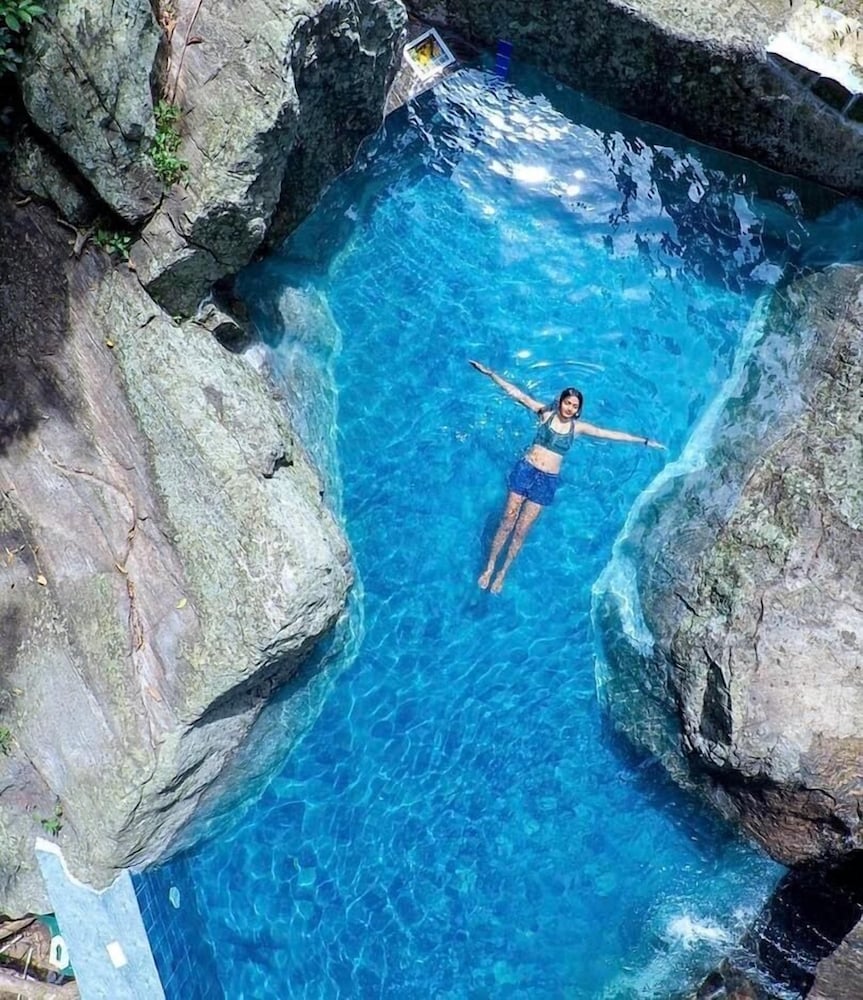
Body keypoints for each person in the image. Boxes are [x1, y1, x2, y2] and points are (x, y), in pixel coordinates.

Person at [470, 360, 665, 593]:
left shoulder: (578, 428)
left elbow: (608, 434)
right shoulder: (544, 413)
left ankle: (503, 572)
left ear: (578, 410)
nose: (570, 408)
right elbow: (517, 394)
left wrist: (644, 441)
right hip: (525, 470)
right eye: (568, 402)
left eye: (575, 406)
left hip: (547, 481)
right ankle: (490, 566)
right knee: (507, 520)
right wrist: (490, 373)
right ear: (560, 401)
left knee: (521, 530)